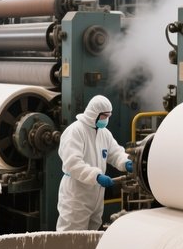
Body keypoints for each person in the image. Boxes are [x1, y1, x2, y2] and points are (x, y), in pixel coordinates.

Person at [56, 95, 133, 232]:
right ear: (94, 113)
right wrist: (96, 176)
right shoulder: (76, 131)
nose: (106, 119)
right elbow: (72, 163)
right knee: (70, 238)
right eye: (104, 116)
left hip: (96, 196)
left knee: (91, 236)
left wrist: (126, 162)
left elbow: (115, 153)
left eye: (109, 115)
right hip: (77, 194)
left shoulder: (104, 133)